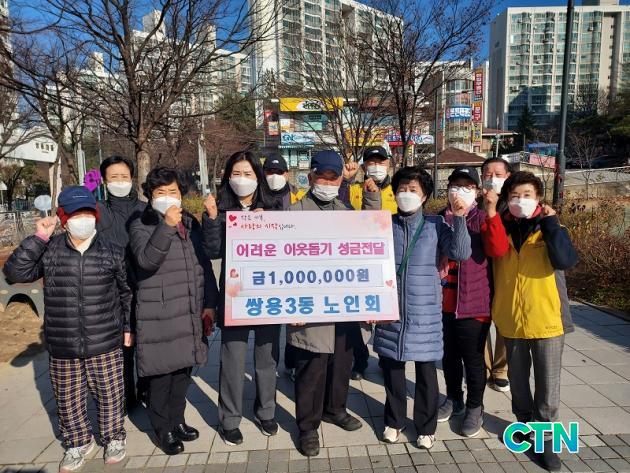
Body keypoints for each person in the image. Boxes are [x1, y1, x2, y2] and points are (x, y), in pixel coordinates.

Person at [3, 186, 132, 472]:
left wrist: (127, 326)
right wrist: (39, 237)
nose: (82, 219)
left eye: (87, 212)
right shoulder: (50, 249)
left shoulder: (111, 250)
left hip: (104, 338)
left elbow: (126, 293)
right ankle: (78, 442)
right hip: (63, 341)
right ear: (63, 218)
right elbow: (14, 273)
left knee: (110, 393)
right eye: (75, 214)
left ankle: (114, 437)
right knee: (68, 398)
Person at [481, 171, 578, 471]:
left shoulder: (550, 226)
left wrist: (551, 223)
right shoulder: (501, 227)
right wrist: (492, 212)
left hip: (547, 318)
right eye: (514, 195)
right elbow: (494, 251)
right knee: (519, 383)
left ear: (538, 198)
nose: (520, 200)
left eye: (527, 195)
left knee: (548, 385)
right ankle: (524, 426)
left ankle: (546, 440)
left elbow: (565, 260)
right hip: (511, 319)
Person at [287, 150, 380, 457]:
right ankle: (307, 427)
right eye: (322, 177)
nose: (327, 183)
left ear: (341, 180)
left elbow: (369, 236)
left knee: (341, 363)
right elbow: (280, 267)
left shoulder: (344, 210)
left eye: (333, 178)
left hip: (343, 304)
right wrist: (291, 305)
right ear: (311, 177)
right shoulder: (293, 214)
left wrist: (372, 198)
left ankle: (335, 409)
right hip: (308, 308)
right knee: (311, 368)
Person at [372, 166, 471, 449]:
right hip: (390, 310)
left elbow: (461, 252)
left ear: (425, 195)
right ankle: (394, 421)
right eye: (402, 189)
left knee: (427, 373)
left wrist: (459, 218)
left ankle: (426, 427)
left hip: (424, 312)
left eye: (413, 190)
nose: (406, 194)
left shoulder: (435, 225)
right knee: (392, 370)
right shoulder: (383, 225)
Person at [129, 167, 217, 456]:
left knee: (182, 373)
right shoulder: (140, 224)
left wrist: (209, 303)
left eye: (173, 192)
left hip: (188, 311)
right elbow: (146, 261)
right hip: (160, 314)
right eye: (161, 192)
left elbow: (204, 264)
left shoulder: (190, 223)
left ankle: (177, 420)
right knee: (160, 376)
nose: (167, 197)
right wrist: (166, 226)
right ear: (150, 195)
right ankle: (162, 428)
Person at [202, 150, 283, 446]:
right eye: (236, 173)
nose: (242, 179)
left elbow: (287, 248)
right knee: (232, 360)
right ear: (227, 177)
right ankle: (229, 419)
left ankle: (266, 412)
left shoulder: (273, 206)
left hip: (267, 295)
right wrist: (213, 219)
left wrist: (269, 224)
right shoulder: (220, 209)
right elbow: (212, 251)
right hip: (235, 297)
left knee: (267, 358)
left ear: (258, 177)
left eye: (248, 173)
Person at [435, 167, 492, 438]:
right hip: (443, 302)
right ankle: (454, 398)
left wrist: (460, 218)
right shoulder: (438, 219)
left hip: (473, 303)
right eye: (455, 185)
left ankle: (475, 406)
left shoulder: (483, 219)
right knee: (449, 357)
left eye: (467, 186)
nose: (459, 191)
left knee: (473, 359)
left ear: (477, 192)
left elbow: (463, 251)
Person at [339, 145, 397, 381]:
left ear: (389, 164)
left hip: (389, 264)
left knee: (387, 318)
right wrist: (345, 180)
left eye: (381, 162)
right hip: (358, 263)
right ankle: (360, 360)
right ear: (364, 166)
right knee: (358, 319)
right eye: (371, 162)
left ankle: (386, 360)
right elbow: (339, 210)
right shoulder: (353, 189)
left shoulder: (398, 190)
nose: (376, 166)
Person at [97, 155, 147, 410]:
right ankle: (128, 395)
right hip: (113, 289)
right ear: (105, 182)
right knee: (123, 344)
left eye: (124, 177)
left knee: (147, 341)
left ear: (132, 179)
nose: (119, 181)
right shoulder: (98, 211)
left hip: (145, 284)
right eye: (113, 177)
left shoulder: (145, 209)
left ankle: (148, 389)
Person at [262, 154, 305, 380]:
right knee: (269, 325)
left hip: (294, 265)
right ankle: (269, 368)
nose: (274, 176)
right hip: (267, 267)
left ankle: (293, 363)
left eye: (279, 172)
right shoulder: (256, 198)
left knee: (295, 317)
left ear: (287, 174)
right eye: (270, 171)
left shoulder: (299, 196)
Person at [480, 157, 512, 392]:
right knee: (479, 320)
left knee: (504, 321)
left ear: (508, 177)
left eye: (498, 174)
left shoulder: (514, 204)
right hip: (479, 269)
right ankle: (483, 366)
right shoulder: (474, 203)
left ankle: (501, 369)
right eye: (487, 174)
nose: (492, 179)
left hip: (506, 269)